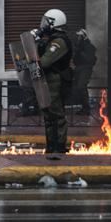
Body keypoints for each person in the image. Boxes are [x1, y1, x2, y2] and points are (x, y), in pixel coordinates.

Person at [37, 9, 73, 157]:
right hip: (49, 81)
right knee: (48, 114)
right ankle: (51, 146)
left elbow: (45, 62)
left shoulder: (59, 41)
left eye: (47, 21)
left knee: (56, 115)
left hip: (56, 81)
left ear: (54, 23)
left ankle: (59, 146)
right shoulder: (51, 39)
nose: (43, 24)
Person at [71, 29, 97, 115]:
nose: (78, 38)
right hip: (78, 68)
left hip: (86, 68)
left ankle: (86, 108)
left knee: (81, 86)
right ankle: (84, 108)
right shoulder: (78, 46)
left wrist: (80, 52)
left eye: (79, 36)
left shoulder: (89, 47)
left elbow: (90, 59)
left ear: (83, 37)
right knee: (78, 88)